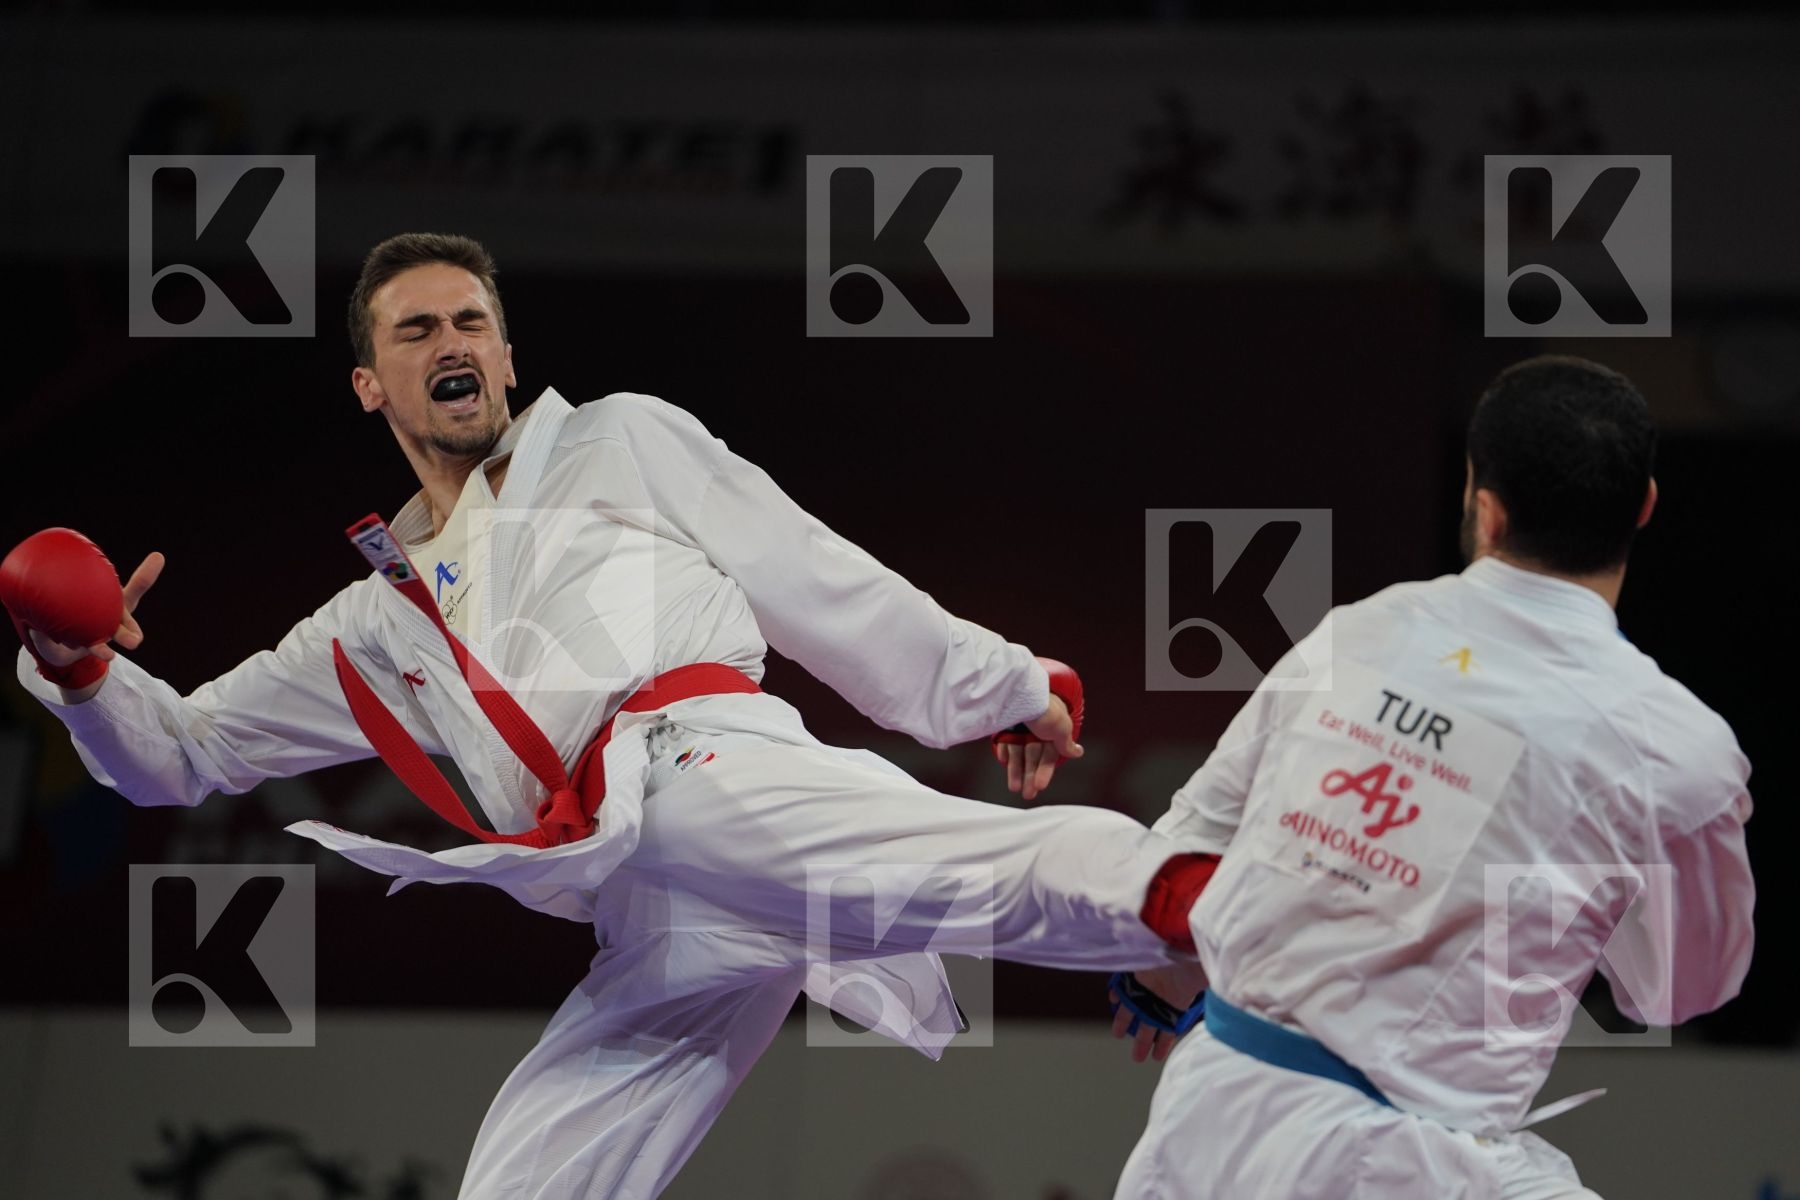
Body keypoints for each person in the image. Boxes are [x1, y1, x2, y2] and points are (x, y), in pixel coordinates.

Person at [3, 233, 1219, 1199]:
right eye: (416, 330)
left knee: (938, 863)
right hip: (642, 894)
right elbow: (186, 755)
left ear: (507, 353)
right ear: (370, 383)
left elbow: (818, 576)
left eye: (470, 320)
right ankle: (1166, 908)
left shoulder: (619, 439)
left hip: (707, 765)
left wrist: (1009, 685)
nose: (451, 341)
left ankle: (1198, 903)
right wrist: (81, 670)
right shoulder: (376, 620)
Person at [1109, 356, 1756, 1199]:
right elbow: (1678, 990)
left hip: (1209, 1118)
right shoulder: (1678, 748)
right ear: (1644, 506)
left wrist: (1167, 971)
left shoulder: (1358, 632)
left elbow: (1193, 842)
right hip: (1413, 1162)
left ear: (1484, 506)